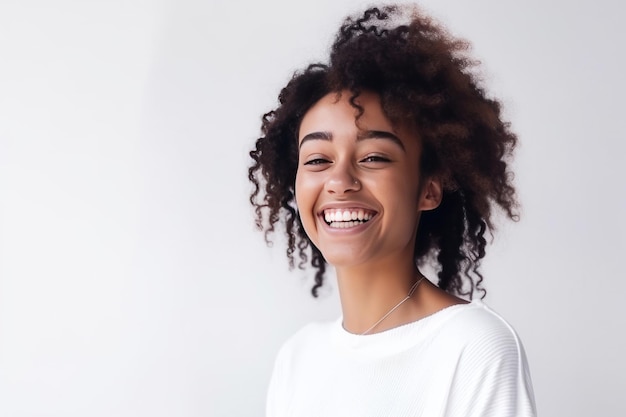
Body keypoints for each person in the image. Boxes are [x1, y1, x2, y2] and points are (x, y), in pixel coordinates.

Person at [248, 4, 536, 417]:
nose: (340, 180)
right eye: (317, 160)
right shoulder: (297, 358)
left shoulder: (473, 347)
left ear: (429, 189)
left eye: (374, 157)